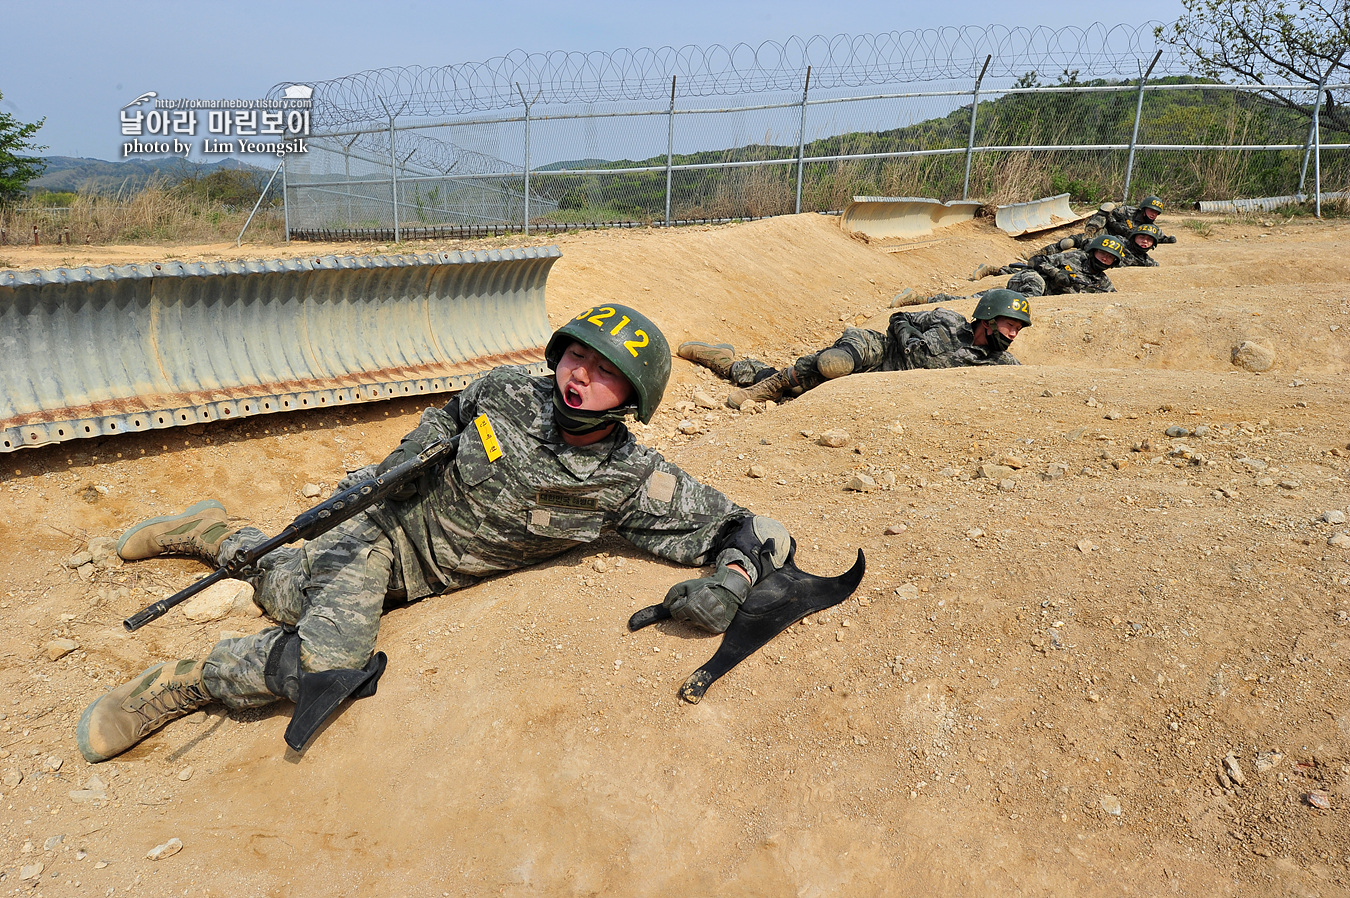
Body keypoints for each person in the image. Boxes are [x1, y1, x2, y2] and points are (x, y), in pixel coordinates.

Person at [76, 304, 794, 762]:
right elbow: (446, 420)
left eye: (606, 373)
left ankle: (219, 534)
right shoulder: (506, 389)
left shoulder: (632, 480)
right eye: (578, 356)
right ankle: (180, 684)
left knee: (289, 592)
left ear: (633, 399)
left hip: (419, 578)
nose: (581, 377)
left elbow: (752, 529)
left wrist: (730, 581)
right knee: (325, 660)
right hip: (380, 529)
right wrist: (393, 468)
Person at [678, 288, 1031, 409]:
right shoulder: (949, 319)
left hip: (880, 384)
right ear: (987, 318)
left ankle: (724, 361)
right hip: (880, 349)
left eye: (1017, 329)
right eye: (1010, 325)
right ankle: (770, 385)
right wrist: (906, 334)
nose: (1013, 334)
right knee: (833, 363)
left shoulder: (997, 365)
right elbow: (900, 317)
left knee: (803, 391)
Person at [966, 232, 1124, 296]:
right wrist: (1056, 273)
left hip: (1046, 302)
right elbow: (1035, 261)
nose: (1104, 259)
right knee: (1034, 285)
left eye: (1109, 257)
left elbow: (1116, 300)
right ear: (1093, 251)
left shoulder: (1103, 283)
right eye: (1102, 253)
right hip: (1031, 282)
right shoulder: (1075, 257)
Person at [982, 221, 1163, 271]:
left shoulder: (1148, 263)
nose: (1144, 241)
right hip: (1086, 258)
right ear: (1133, 237)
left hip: (1096, 269)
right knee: (1047, 264)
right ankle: (1000, 269)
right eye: (1141, 237)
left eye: (1148, 240)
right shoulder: (1120, 242)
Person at [1083, 195, 1178, 246]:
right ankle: (1088, 233)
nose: (1154, 214)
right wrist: (1114, 223)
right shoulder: (1128, 211)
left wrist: (1169, 239)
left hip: (1118, 242)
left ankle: (1079, 241)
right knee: (1105, 212)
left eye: (1156, 212)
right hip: (1107, 231)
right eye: (1151, 210)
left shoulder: (1151, 228)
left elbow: (1160, 237)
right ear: (1144, 209)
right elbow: (1110, 213)